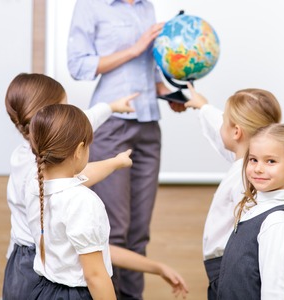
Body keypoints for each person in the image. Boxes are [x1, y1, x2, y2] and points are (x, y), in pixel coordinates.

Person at [3, 73, 188, 299]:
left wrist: (110, 108)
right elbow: (95, 273)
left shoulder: (37, 179)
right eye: (65, 107)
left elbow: (85, 123)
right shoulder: (78, 201)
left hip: (26, 271)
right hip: (37, 271)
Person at [67, 1, 186, 298]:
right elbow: (78, 65)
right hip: (112, 125)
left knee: (139, 232)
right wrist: (135, 48)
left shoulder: (146, 6)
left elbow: (147, 70)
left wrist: (170, 93)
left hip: (148, 125)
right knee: (115, 229)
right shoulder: (91, 6)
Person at [184, 84, 282, 299]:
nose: (220, 127)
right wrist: (203, 106)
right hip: (228, 267)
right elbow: (223, 126)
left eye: (225, 123)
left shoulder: (247, 175)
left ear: (236, 131)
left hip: (230, 269)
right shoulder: (249, 166)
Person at [217, 123, 284, 299]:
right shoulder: (257, 210)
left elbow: (275, 292)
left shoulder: (276, 222)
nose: (258, 168)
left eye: (271, 161)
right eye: (253, 159)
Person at [26, 104, 116, 299]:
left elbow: (76, 177)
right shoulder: (83, 202)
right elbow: (95, 276)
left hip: (43, 290)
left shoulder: (33, 185)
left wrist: (116, 162)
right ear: (79, 149)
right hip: (76, 294)